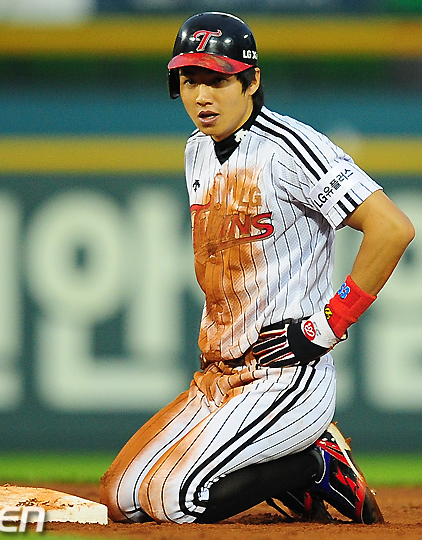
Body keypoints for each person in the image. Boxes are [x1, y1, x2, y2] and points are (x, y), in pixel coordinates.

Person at [100, 12, 414, 525]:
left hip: (289, 376)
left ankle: (315, 466)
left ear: (251, 81)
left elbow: (392, 228)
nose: (203, 96)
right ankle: (292, 469)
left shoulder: (291, 147)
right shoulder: (197, 150)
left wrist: (328, 325)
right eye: (190, 81)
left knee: (176, 501)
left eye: (218, 80)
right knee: (124, 498)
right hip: (222, 377)